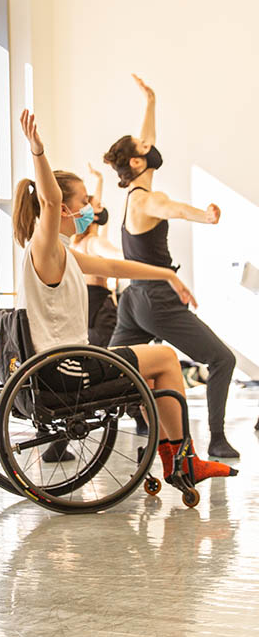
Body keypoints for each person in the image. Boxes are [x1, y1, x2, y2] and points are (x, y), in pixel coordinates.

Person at [15, 108, 235, 485]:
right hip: (67, 367)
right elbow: (51, 201)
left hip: (63, 363)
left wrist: (167, 273)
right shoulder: (46, 246)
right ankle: (185, 460)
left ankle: (172, 457)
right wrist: (38, 152)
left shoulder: (62, 253)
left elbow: (118, 268)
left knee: (152, 373)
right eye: (84, 202)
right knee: (166, 357)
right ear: (64, 209)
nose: (92, 209)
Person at [103, 74, 239, 459]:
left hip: (133, 300)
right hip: (157, 300)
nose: (150, 143)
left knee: (112, 368)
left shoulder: (134, 193)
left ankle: (71, 433)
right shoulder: (149, 199)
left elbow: (146, 141)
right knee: (222, 359)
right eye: (144, 146)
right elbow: (173, 209)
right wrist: (205, 216)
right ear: (136, 160)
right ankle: (216, 438)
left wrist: (150, 102)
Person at [72, 163, 122, 347]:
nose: (101, 207)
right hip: (99, 303)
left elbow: (94, 206)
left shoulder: (76, 243)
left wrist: (100, 180)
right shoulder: (93, 243)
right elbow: (121, 257)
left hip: (83, 302)